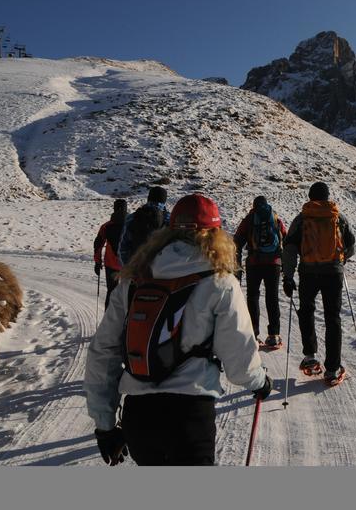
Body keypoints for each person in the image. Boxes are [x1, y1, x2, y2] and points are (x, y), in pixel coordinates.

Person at [84, 193, 272, 466]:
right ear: (216, 234)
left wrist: (105, 426)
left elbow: (103, 352)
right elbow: (239, 358)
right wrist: (259, 382)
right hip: (190, 415)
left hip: (139, 417)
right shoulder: (220, 282)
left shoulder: (135, 279)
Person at [282, 181, 356, 385]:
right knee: (332, 317)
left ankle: (310, 357)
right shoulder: (337, 217)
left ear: (310, 197)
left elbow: (289, 249)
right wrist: (340, 260)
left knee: (306, 311)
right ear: (327, 196)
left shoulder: (302, 218)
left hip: (308, 273)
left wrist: (287, 277)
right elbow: (351, 245)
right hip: (333, 273)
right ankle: (332, 369)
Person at [233, 196, 288, 347]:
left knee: (253, 297)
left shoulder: (250, 219)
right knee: (272, 297)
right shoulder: (275, 218)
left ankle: (254, 334)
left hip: (254, 263)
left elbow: (237, 241)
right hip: (273, 264)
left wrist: (237, 265)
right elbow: (285, 237)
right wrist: (285, 264)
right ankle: (274, 335)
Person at [118, 186, 170, 266]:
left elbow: (123, 247)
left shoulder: (132, 217)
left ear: (148, 198)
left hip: (138, 269)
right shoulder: (170, 219)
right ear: (164, 200)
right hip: (162, 270)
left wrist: (128, 268)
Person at [93, 199, 128, 309]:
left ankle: (108, 318)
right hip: (128, 264)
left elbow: (98, 245)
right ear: (126, 209)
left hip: (111, 264)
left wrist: (98, 262)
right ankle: (126, 320)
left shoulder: (106, 226)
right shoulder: (132, 223)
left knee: (111, 291)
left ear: (114, 208)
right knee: (127, 292)